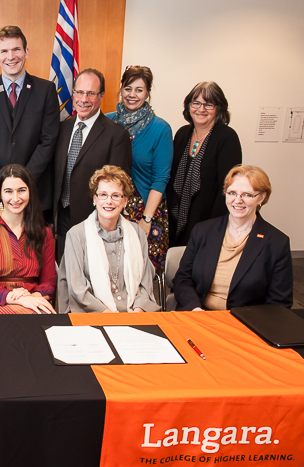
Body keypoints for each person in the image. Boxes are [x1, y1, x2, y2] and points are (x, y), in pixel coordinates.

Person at [173, 165, 292, 310]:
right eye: (232, 193)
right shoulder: (202, 231)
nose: (237, 200)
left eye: (247, 194)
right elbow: (182, 279)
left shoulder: (276, 243)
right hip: (199, 316)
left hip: (245, 323)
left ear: (261, 197)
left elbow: (279, 303)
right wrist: (195, 309)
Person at [0, 25, 59, 216]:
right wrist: (2, 184)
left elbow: (48, 140)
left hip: (35, 192)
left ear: (26, 52)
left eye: (16, 49)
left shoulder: (46, 91)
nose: (10, 56)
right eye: (4, 51)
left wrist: (22, 184)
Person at [54, 69, 133, 261]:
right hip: (61, 219)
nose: (84, 99)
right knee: (63, 274)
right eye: (79, 92)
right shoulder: (62, 129)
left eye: (91, 93)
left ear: (101, 96)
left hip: (94, 221)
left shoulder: (116, 135)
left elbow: (118, 184)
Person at [58, 165, 159, 313]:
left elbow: (145, 281)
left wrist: (138, 312)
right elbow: (78, 289)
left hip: (134, 315)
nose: (109, 201)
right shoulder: (76, 235)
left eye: (116, 195)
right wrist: (109, 315)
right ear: (95, 199)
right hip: (93, 316)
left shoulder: (137, 232)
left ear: (125, 201)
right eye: (103, 195)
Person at [106, 66, 173, 274]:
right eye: (128, 88)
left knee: (139, 272)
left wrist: (146, 219)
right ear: (121, 90)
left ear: (147, 93)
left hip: (144, 210)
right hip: (111, 205)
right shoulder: (107, 121)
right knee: (109, 269)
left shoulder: (160, 128)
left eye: (139, 90)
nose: (132, 95)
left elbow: (161, 178)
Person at [0, 164, 56, 314]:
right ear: (0, 194)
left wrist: (32, 298)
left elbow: (48, 283)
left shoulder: (44, 232)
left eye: (21, 190)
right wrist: (19, 299)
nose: (16, 198)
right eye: (8, 191)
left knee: (45, 318)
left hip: (33, 299)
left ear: (30, 192)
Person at [168, 81, 242, 247]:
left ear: (219, 108)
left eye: (208, 104)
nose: (201, 109)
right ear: (188, 106)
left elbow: (228, 188)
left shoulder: (227, 138)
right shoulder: (182, 134)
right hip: (177, 216)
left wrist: (215, 227)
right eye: (196, 103)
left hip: (208, 221)